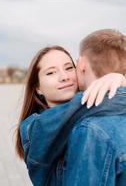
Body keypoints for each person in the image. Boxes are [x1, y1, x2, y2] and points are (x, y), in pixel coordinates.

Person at [15, 44, 126, 185]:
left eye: (69, 68)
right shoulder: (35, 127)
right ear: (38, 88)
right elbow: (86, 105)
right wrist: (120, 86)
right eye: (51, 72)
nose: (64, 77)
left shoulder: (93, 117)